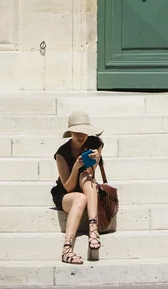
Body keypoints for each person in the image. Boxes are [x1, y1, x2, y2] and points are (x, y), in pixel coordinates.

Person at [51, 110, 104, 265]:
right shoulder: (62, 154)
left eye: (84, 132)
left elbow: (91, 174)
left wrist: (93, 162)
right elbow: (68, 187)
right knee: (80, 198)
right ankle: (67, 250)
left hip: (87, 185)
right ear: (71, 132)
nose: (81, 136)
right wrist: (75, 167)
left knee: (86, 177)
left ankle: (93, 229)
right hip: (66, 193)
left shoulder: (95, 144)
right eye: (77, 132)